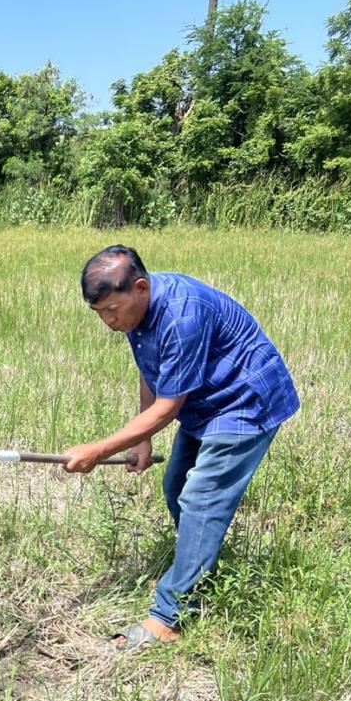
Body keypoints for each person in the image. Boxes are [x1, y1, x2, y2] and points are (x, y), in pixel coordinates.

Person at [63, 245, 299, 649]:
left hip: (244, 400)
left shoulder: (181, 315)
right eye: (99, 312)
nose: (108, 321)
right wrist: (142, 439)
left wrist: (99, 450)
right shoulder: (136, 313)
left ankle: (169, 618)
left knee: (201, 500)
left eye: (112, 310)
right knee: (176, 487)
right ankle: (200, 571)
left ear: (140, 287)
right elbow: (151, 372)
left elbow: (167, 408)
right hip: (204, 400)